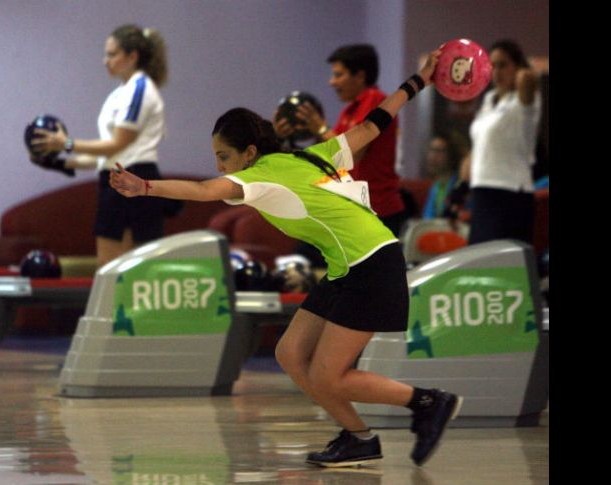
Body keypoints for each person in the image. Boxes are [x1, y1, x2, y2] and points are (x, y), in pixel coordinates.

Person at [110, 49, 463, 468]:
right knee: (291, 354)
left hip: (371, 263)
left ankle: (427, 402)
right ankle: (359, 438)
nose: (220, 166)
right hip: (350, 266)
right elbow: (373, 126)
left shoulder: (259, 176)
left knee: (328, 376)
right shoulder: (310, 155)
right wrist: (418, 81)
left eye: (224, 157)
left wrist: (144, 187)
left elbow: (204, 191)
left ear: (249, 153)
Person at [30, 24, 170, 268]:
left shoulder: (140, 90)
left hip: (134, 179)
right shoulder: (120, 94)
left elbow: (117, 144)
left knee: (121, 267)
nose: (105, 60)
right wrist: (59, 161)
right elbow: (106, 156)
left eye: (112, 54)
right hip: (117, 177)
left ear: (132, 56)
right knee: (111, 265)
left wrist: (66, 144)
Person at [274, 44, 408, 237]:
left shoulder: (376, 101)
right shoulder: (349, 110)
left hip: (377, 210)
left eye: (338, 75)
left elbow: (352, 152)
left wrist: (320, 127)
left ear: (360, 76)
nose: (332, 82)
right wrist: (283, 138)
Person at [456, 39, 541, 245]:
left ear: (517, 67)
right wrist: (461, 187)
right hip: (482, 192)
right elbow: (478, 147)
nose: (496, 72)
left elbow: (527, 80)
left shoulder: (526, 100)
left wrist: (522, 70)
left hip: (510, 194)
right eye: (492, 66)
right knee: (479, 262)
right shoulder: (489, 100)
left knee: (505, 267)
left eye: (503, 65)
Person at [422, 133, 467, 219]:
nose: (432, 156)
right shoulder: (435, 186)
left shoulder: (459, 185)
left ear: (452, 155)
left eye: (439, 151)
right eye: (431, 150)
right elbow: (427, 219)